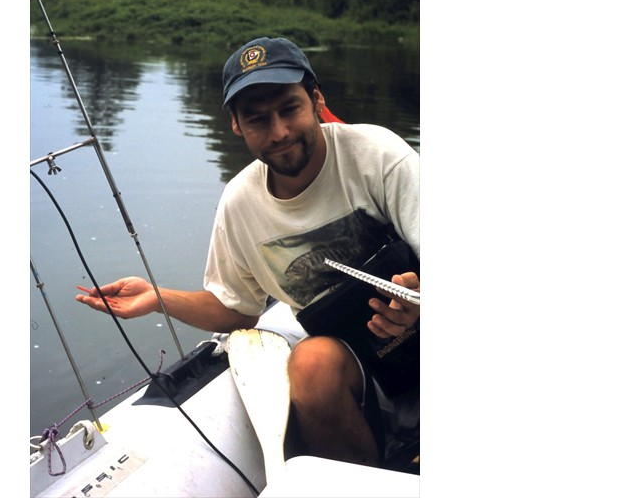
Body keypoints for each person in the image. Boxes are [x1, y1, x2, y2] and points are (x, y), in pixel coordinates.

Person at [76, 37, 420, 469]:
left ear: (316, 99)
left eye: (289, 109)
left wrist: (417, 299)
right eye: (258, 120)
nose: (278, 133)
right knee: (311, 365)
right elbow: (236, 310)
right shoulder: (240, 204)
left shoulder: (376, 154)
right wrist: (158, 298)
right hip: (361, 364)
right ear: (237, 126)